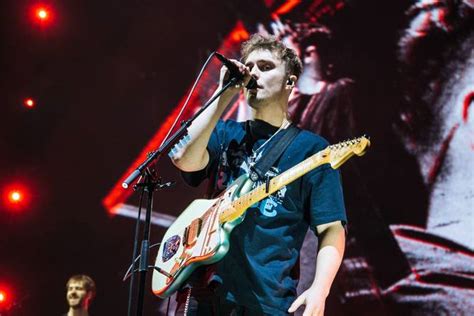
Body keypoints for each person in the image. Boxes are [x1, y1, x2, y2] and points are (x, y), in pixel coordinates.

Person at [171, 34, 347, 315]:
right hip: (201, 293)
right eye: (249, 66)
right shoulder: (225, 133)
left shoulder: (312, 149)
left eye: (265, 67)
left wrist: (320, 289)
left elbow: (332, 230)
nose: (253, 72)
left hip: (264, 303)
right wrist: (223, 93)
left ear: (290, 81)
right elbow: (184, 161)